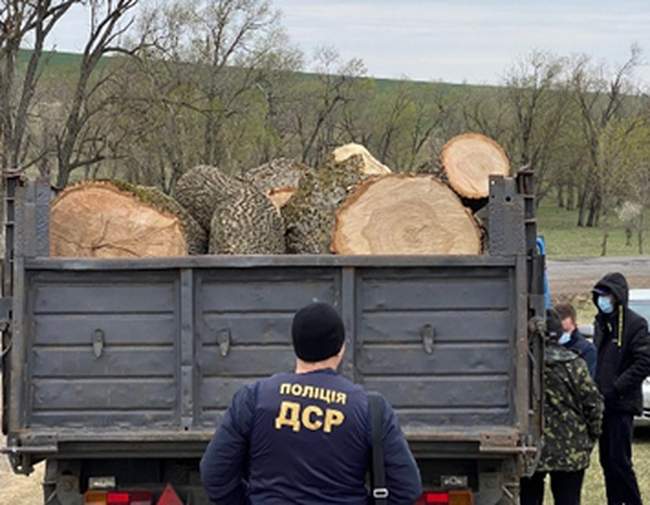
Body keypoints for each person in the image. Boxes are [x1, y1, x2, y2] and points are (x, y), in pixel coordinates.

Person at [200, 302, 422, 505]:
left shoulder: (253, 397)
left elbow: (214, 474)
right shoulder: (371, 409)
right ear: (341, 348)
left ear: (295, 345)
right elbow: (407, 489)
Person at [520, 309, 604, 505]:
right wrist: (592, 435)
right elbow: (593, 404)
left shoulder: (524, 366)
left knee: (529, 499)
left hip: (532, 448)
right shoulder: (575, 364)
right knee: (568, 500)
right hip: (570, 450)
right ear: (559, 333)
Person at [592, 273, 650, 505]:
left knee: (620, 461)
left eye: (606, 296)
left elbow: (644, 361)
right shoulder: (601, 323)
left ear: (616, 297)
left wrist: (617, 387)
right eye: (599, 296)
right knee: (607, 461)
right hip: (603, 403)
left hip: (621, 403)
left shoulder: (635, 325)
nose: (602, 301)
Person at [555, 303, 597, 377]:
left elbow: (589, 379)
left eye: (563, 318)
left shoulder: (587, 349)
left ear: (573, 321)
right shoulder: (548, 345)